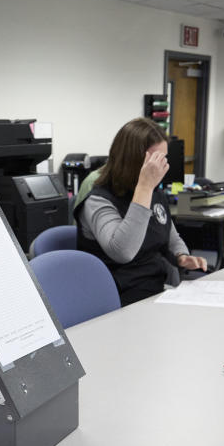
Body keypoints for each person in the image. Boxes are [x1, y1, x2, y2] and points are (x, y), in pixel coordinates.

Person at [74, 117, 206, 306]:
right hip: (116, 298)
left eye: (164, 159)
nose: (163, 167)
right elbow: (123, 251)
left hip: (153, 289)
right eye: (156, 160)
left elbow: (170, 234)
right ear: (132, 160)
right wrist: (144, 187)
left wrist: (182, 256)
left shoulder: (154, 192)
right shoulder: (98, 200)